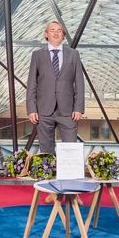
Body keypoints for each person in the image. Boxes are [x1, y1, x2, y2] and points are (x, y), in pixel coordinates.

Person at [26, 21, 84, 155]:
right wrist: (31, 109)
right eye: (52, 30)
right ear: (46, 34)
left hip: (68, 112)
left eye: (59, 30)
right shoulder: (37, 55)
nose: (56, 33)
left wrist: (79, 108)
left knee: (71, 150)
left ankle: (69, 176)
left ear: (63, 35)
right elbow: (31, 84)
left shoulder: (73, 54)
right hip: (43, 111)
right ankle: (48, 175)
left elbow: (79, 82)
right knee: (46, 151)